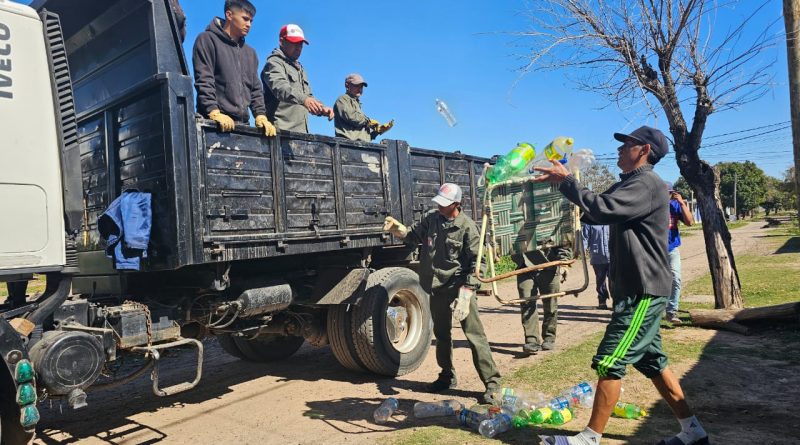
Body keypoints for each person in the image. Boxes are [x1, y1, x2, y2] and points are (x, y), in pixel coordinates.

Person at [534, 126, 709, 445]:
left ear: (643, 150)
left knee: (611, 359)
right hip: (634, 290)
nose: (618, 149)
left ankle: (590, 438)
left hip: (644, 290)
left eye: (625, 144)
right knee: (653, 362)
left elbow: (603, 208)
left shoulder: (646, 183)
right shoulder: (631, 184)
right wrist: (566, 186)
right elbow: (599, 213)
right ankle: (693, 432)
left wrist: (569, 184)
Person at [383, 184, 502, 404]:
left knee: (475, 337)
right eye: (438, 202)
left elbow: (479, 264)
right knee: (442, 335)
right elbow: (412, 236)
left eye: (444, 204)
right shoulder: (432, 219)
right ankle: (446, 376)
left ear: (457, 204)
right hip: (437, 288)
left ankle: (492, 384)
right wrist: (398, 229)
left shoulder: (468, 228)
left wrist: (466, 294)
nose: (439, 206)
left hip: (460, 289)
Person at [192, 0, 276, 137]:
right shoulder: (207, 39)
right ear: (229, 15)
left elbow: (255, 89)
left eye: (251, 21)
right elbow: (204, 79)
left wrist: (261, 115)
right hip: (213, 126)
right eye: (245, 19)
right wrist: (213, 111)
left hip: (243, 127)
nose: (249, 24)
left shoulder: (251, 53)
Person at [261, 24, 333, 133]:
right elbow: (281, 88)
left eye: (301, 44)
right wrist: (304, 100)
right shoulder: (273, 63)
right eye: (294, 43)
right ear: (281, 41)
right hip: (279, 133)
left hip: (300, 134)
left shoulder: (300, 69)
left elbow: (308, 97)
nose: (298, 48)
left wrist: (322, 109)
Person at [513, 243, 571, 355]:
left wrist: (564, 263)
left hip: (549, 265)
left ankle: (549, 337)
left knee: (550, 303)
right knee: (526, 302)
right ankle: (531, 340)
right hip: (524, 267)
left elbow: (562, 238)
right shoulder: (512, 225)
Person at [333, 73, 393, 142]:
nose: (360, 89)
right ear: (347, 85)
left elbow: (363, 136)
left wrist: (378, 131)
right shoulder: (343, 99)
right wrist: (368, 122)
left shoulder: (356, 103)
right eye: (356, 86)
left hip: (359, 145)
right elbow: (352, 117)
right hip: (347, 144)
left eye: (361, 87)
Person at [665, 182, 694, 324]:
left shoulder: (675, 205)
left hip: (671, 249)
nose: (666, 196)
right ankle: (653, 312)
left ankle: (671, 312)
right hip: (653, 250)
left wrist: (682, 203)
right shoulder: (651, 206)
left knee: (675, 278)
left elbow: (690, 222)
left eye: (669, 193)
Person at [582, 222, 611, 309]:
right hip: (597, 256)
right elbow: (584, 238)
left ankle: (617, 301)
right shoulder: (589, 223)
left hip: (612, 256)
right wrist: (583, 249)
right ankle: (602, 301)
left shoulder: (610, 220)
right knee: (600, 280)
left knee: (614, 280)